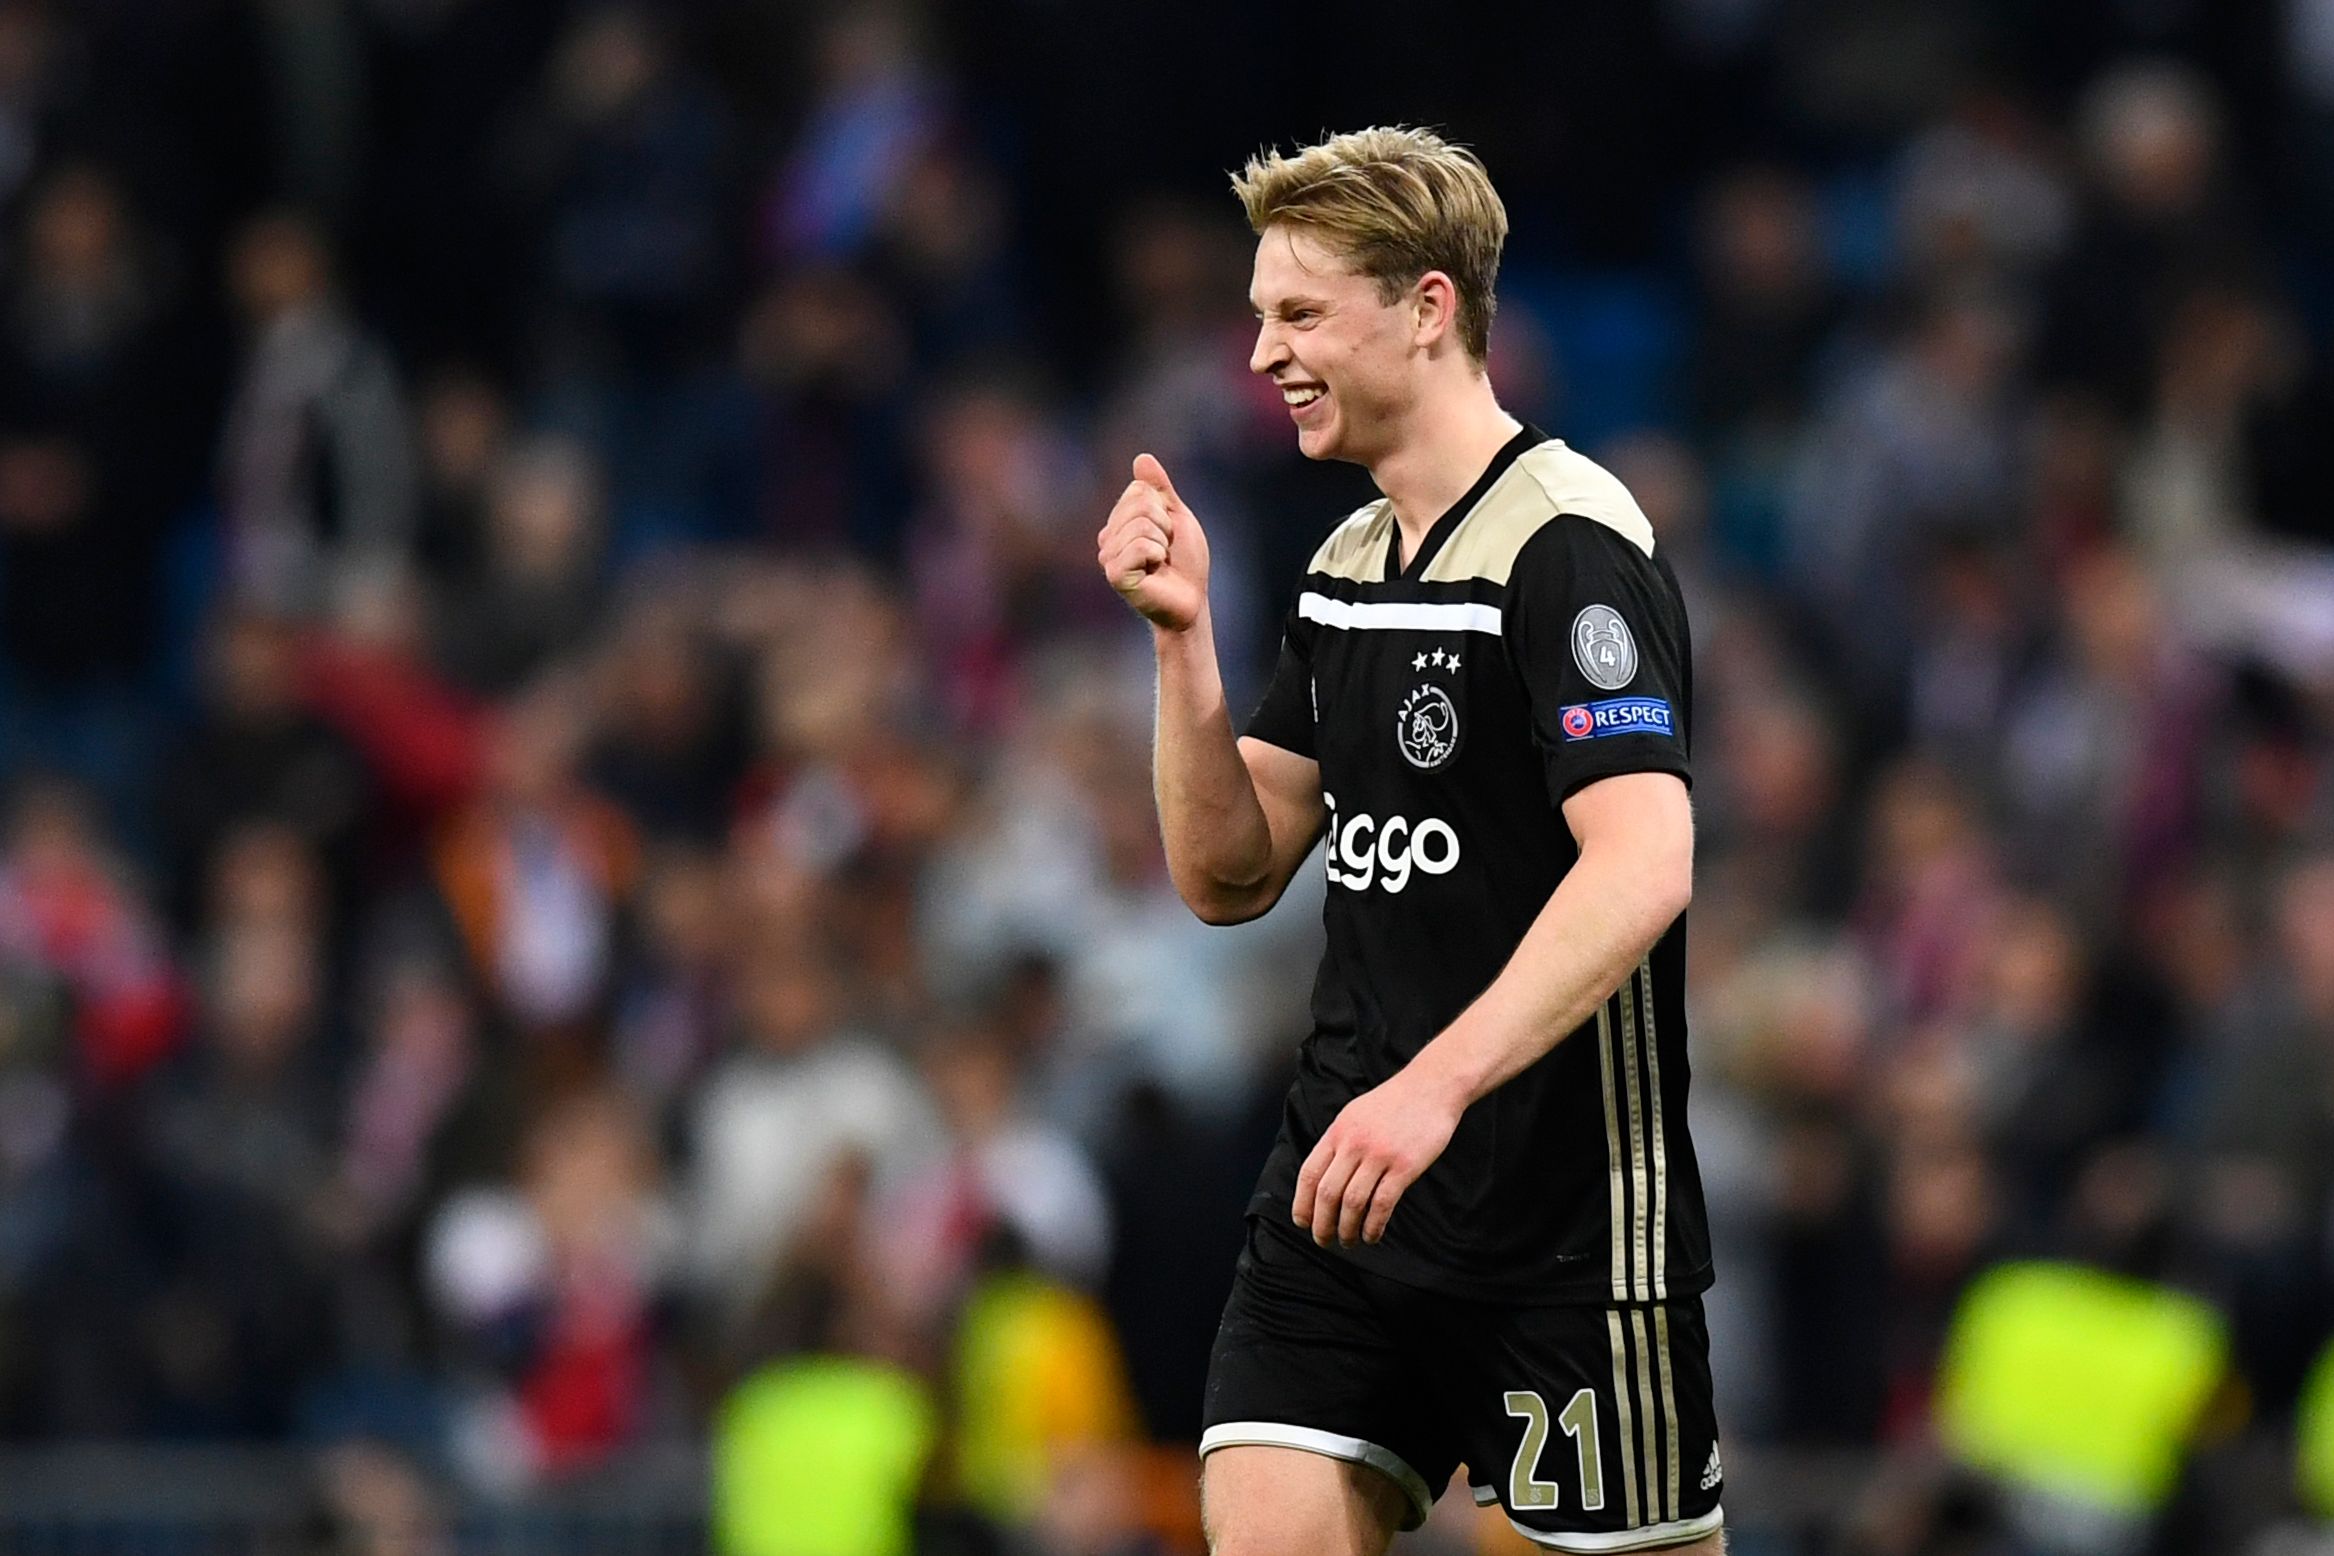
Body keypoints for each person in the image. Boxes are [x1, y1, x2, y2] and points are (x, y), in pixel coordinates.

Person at [1096, 127, 1720, 1554]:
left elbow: (1643, 862)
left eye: (1298, 313)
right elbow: (1226, 874)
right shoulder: (1348, 564)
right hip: (1342, 1197)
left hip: (1560, 1229)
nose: (1261, 354)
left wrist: (1433, 1091)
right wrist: (1183, 652)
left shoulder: (1569, 545)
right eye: (1259, 317)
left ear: (1427, 309)